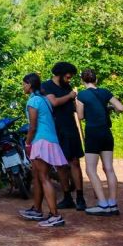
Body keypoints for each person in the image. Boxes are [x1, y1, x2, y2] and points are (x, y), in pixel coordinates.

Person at [20, 72, 69, 228]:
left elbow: (33, 126)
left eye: (24, 84)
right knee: (38, 176)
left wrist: (27, 143)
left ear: (29, 85)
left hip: (41, 141)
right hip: (50, 139)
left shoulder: (33, 101)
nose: (22, 87)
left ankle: (55, 215)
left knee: (44, 177)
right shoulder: (44, 99)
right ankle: (37, 210)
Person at [76, 69, 123, 216]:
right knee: (109, 168)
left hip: (93, 133)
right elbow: (121, 108)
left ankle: (103, 204)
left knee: (90, 169)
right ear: (96, 80)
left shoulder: (81, 95)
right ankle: (113, 203)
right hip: (106, 133)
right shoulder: (105, 92)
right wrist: (109, 108)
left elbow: (80, 116)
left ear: (82, 81)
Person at [41, 62, 86, 211]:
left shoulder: (67, 86)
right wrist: (70, 96)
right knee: (60, 164)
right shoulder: (46, 86)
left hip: (71, 128)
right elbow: (53, 102)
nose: (69, 79)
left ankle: (80, 197)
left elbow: (72, 106)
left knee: (75, 162)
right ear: (59, 74)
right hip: (56, 129)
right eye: (67, 76)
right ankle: (67, 197)